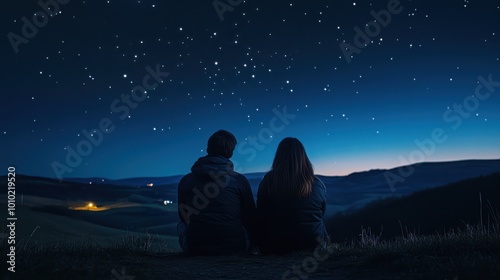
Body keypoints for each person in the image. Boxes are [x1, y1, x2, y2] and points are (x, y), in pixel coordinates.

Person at [177, 130, 257, 255]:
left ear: (208, 149)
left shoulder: (186, 180)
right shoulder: (239, 180)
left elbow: (183, 216)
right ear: (230, 152)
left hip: (195, 249)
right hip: (235, 248)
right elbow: (250, 216)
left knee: (181, 225)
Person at [257, 137, 329, 254]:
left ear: (278, 157)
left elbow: (261, 213)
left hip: (274, 246)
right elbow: (321, 212)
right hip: (312, 246)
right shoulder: (317, 184)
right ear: (303, 157)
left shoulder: (268, 182)